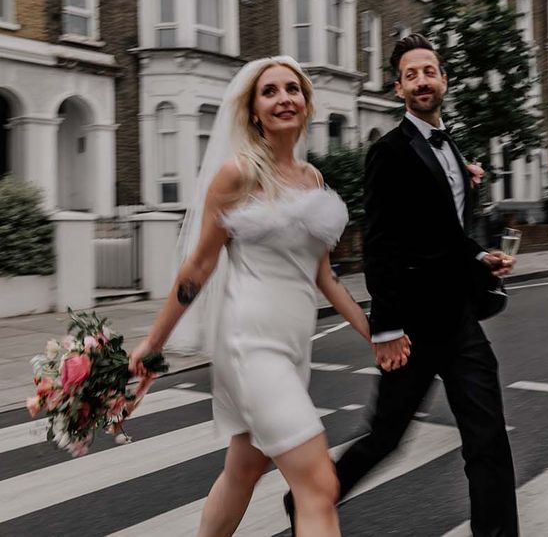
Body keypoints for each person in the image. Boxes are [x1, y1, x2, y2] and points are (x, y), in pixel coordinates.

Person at [129, 56, 370, 537]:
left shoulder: (313, 181)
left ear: (306, 103)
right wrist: (153, 345)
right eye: (270, 91)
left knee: (243, 470)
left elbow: (325, 277)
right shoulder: (237, 175)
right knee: (319, 487)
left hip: (293, 349)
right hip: (250, 346)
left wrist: (375, 333)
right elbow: (198, 266)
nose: (284, 98)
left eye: (293, 89)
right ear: (254, 111)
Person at [331, 34, 519, 535]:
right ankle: (309, 501)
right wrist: (386, 327)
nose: (421, 81)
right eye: (411, 74)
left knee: (488, 437)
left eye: (428, 71)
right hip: (412, 326)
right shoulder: (389, 152)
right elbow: (382, 242)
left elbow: (447, 232)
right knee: (386, 437)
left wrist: (481, 257)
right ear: (399, 88)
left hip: (459, 320)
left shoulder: (452, 148)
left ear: (443, 81)